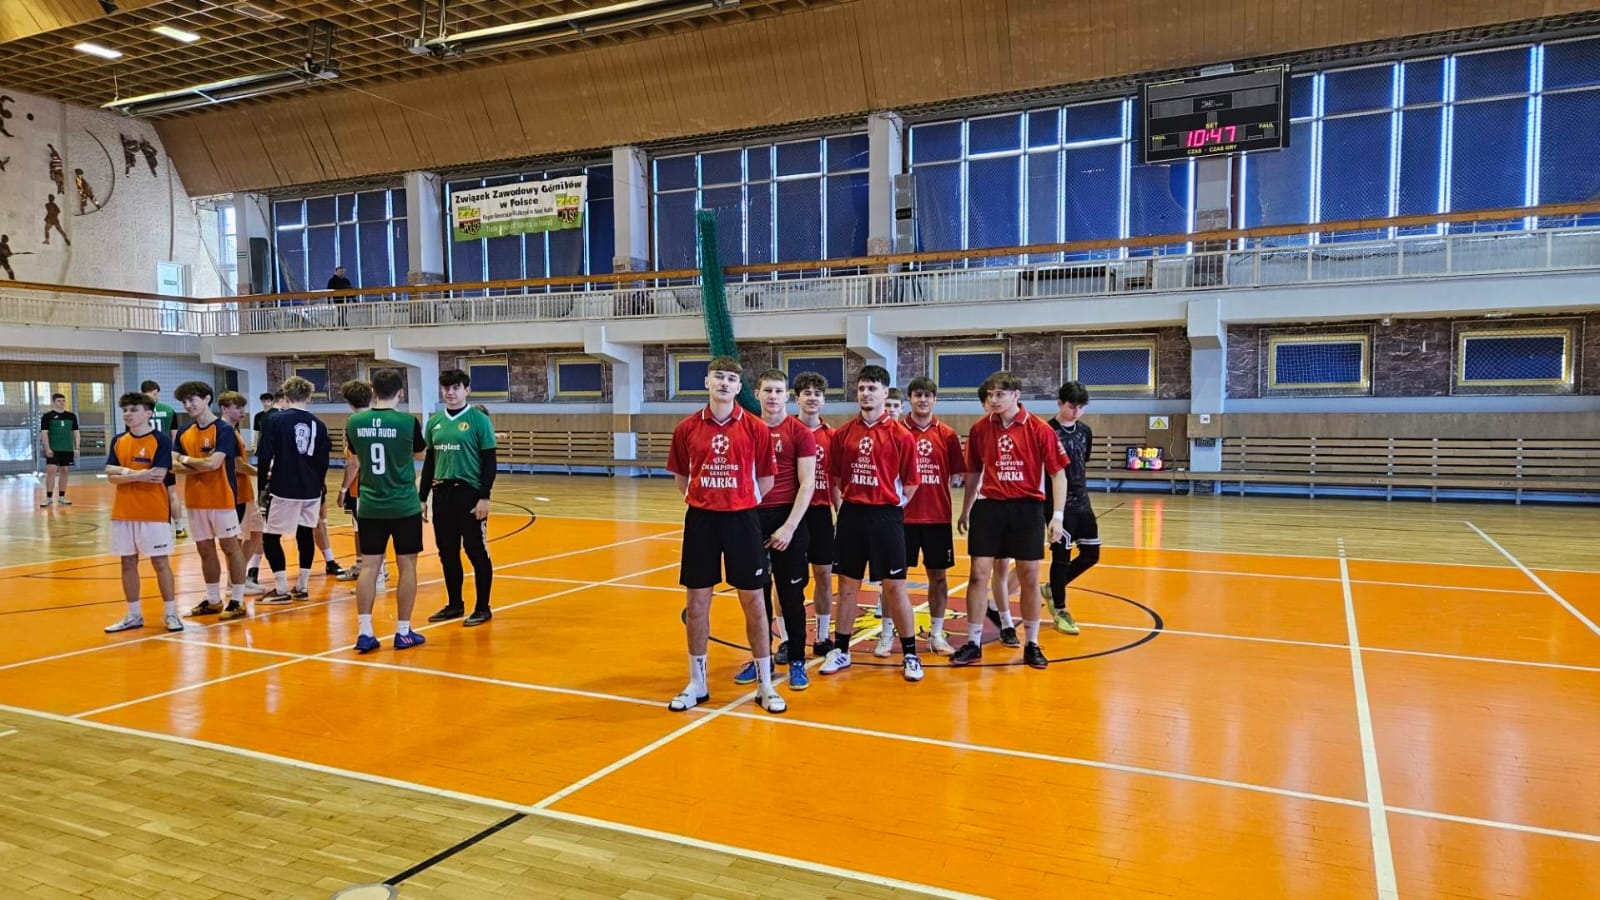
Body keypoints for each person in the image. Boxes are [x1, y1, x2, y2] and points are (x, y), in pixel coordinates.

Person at [665, 355, 783, 714]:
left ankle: (765, 684)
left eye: (731, 379)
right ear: (707, 382)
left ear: (738, 387)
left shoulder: (756, 428)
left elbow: (766, 479)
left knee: (755, 603)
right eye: (719, 377)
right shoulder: (686, 428)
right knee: (697, 604)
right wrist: (704, 499)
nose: (724, 383)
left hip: (742, 520)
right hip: (701, 521)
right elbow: (682, 478)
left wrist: (740, 502)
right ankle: (697, 682)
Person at [953, 371, 1068, 670]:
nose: (994, 399)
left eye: (1000, 394)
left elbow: (1058, 474)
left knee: (1029, 576)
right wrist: (966, 509)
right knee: (978, 575)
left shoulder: (1039, 429)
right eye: (990, 394)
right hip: (989, 507)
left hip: (1026, 508)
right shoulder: (979, 429)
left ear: (1016, 394)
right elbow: (973, 473)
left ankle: (1032, 643)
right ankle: (973, 642)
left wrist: (1057, 516)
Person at [819, 364, 924, 682]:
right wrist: (851, 504)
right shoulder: (843, 434)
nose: (866, 393)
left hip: (886, 516)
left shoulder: (901, 436)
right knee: (847, 587)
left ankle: (910, 655)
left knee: (895, 588)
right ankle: (841, 650)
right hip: (852, 514)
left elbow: (911, 483)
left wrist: (890, 505)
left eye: (872, 388)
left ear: (884, 393)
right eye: (862, 388)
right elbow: (837, 477)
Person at [738, 368, 816, 692]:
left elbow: (808, 483)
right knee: (756, 596)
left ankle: (797, 659)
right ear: (757, 394)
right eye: (767, 390)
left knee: (791, 596)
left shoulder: (800, 432)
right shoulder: (745, 429)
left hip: (789, 520)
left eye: (778, 391)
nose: (772, 396)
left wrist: (789, 528)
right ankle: (762, 660)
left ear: (787, 396)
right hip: (751, 519)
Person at [344, 369, 428, 653]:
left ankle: (364, 632)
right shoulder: (407, 422)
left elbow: (356, 455)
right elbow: (421, 453)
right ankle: (403, 631)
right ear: (400, 393)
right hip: (403, 505)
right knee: (407, 566)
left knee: (369, 567)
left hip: (370, 504)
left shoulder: (355, 422)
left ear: (373, 391)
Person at [887, 376, 966, 656]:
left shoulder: (947, 434)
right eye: (917, 395)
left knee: (939, 577)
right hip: (901, 518)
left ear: (935, 399)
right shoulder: (895, 431)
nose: (922, 400)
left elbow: (956, 474)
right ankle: (887, 633)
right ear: (909, 399)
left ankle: (936, 633)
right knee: (893, 579)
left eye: (927, 395)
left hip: (937, 518)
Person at [419, 369, 499, 626]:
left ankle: (483, 607)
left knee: (476, 551)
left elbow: (490, 462)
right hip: (442, 494)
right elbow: (430, 462)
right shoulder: (434, 422)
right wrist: (422, 498)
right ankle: (455, 604)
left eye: (455, 387)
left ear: (467, 390)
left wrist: (484, 497)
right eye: (446, 388)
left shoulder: (479, 420)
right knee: (447, 552)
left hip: (470, 495)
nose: (450, 392)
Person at [103, 392, 180, 634]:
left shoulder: (161, 440)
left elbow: (157, 475)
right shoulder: (118, 440)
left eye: (133, 409)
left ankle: (171, 613)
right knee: (127, 562)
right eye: (125, 410)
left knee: (160, 562)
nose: (127, 414)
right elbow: (110, 476)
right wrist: (137, 474)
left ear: (148, 413)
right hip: (123, 511)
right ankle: (134, 615)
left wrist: (123, 472)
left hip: (153, 511)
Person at [171, 381, 249, 621]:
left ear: (207, 399)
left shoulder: (224, 430)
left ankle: (237, 600)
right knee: (204, 550)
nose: (188, 405)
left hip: (222, 498)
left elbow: (214, 464)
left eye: (192, 400)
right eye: (184, 402)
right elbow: (171, 464)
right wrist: (197, 464)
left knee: (230, 548)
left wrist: (185, 460)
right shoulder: (184, 431)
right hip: (195, 500)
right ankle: (213, 600)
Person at [256, 376, 331, 603]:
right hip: (311, 488)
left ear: (286, 397)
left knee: (271, 537)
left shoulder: (275, 420)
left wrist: (261, 487)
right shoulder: (319, 424)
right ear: (309, 398)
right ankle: (302, 586)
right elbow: (323, 461)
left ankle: (281, 589)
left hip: (284, 487)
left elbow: (264, 456)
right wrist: (319, 487)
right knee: (305, 533)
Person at [1044, 381, 1100, 634]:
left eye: (1081, 407)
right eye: (1071, 406)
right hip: (1057, 503)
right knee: (1061, 557)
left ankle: (1053, 588)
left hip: (1082, 501)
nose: (1076, 411)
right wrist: (1051, 512)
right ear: (1059, 403)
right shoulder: (1046, 431)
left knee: (1091, 555)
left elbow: (1082, 460)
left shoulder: (1085, 431)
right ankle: (1060, 609)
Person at [792, 371, 836, 659]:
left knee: (823, 575)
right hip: (792, 514)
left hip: (820, 512)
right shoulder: (787, 430)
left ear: (823, 400)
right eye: (806, 393)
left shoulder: (832, 436)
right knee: (789, 579)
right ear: (797, 398)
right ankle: (787, 640)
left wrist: (841, 515)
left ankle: (822, 636)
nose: (812, 397)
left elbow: (838, 481)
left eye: (817, 393)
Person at [336, 380, 384, 590]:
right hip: (381, 482)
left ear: (348, 402)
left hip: (362, 485)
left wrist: (342, 489)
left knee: (367, 530)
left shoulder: (354, 423)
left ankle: (376, 573)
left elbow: (354, 463)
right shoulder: (380, 420)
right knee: (362, 528)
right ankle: (362, 565)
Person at [218, 392, 267, 594]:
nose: (242, 412)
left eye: (243, 407)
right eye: (237, 407)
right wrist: (263, 473)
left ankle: (238, 575)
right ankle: (233, 583)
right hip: (235, 492)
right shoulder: (225, 432)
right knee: (236, 539)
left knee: (257, 532)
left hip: (245, 492)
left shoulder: (233, 431)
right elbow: (237, 465)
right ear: (224, 408)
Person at [142, 381, 186, 539]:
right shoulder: (168, 410)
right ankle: (179, 528)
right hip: (165, 456)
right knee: (171, 493)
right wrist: (173, 456)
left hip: (144, 457)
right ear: (156, 392)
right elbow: (175, 437)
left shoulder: (138, 410)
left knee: (147, 493)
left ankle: (154, 527)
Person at [39, 392, 79, 508]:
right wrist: (47, 448)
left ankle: (62, 497)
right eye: (59, 401)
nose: (61, 403)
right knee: (51, 469)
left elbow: (76, 433)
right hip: (53, 448)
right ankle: (48, 498)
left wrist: (76, 448)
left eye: (63, 401)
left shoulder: (71, 416)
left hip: (67, 448)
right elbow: (44, 433)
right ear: (53, 402)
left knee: (65, 470)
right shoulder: (47, 416)